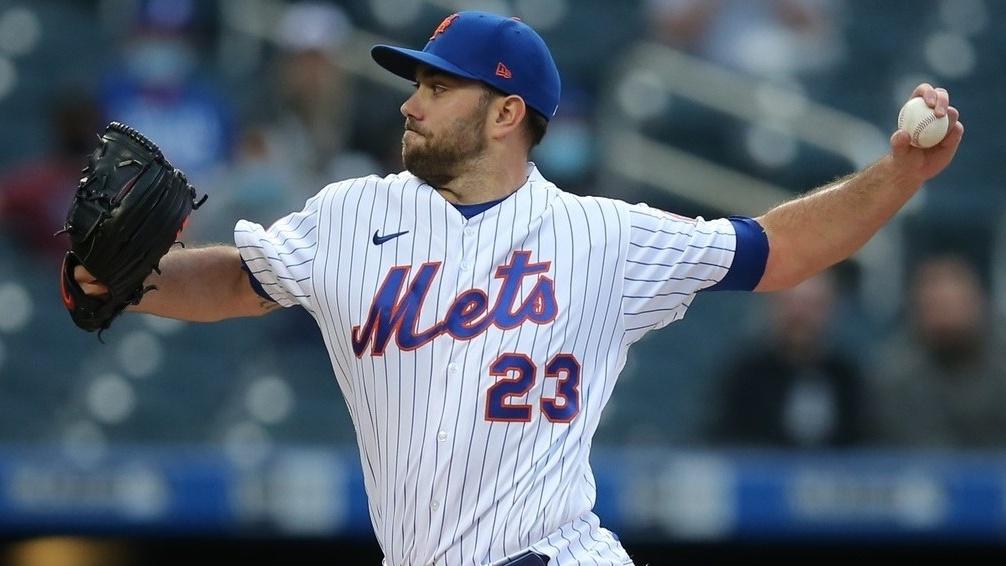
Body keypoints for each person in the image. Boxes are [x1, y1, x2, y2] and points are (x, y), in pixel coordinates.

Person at [70, 11, 963, 566]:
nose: (411, 104)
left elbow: (777, 251)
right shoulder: (350, 214)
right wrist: (129, 281)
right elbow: (237, 280)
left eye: (436, 86)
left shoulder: (602, 236)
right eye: (414, 83)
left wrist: (896, 176)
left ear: (506, 113)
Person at [865, 255, 1006, 448]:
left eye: (954, 305)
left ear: (979, 304)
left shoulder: (1001, 360)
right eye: (935, 306)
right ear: (916, 312)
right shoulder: (895, 374)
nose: (946, 320)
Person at [711, 272, 864, 448]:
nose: (800, 316)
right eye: (790, 305)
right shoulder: (744, 377)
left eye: (812, 306)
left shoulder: (846, 379)